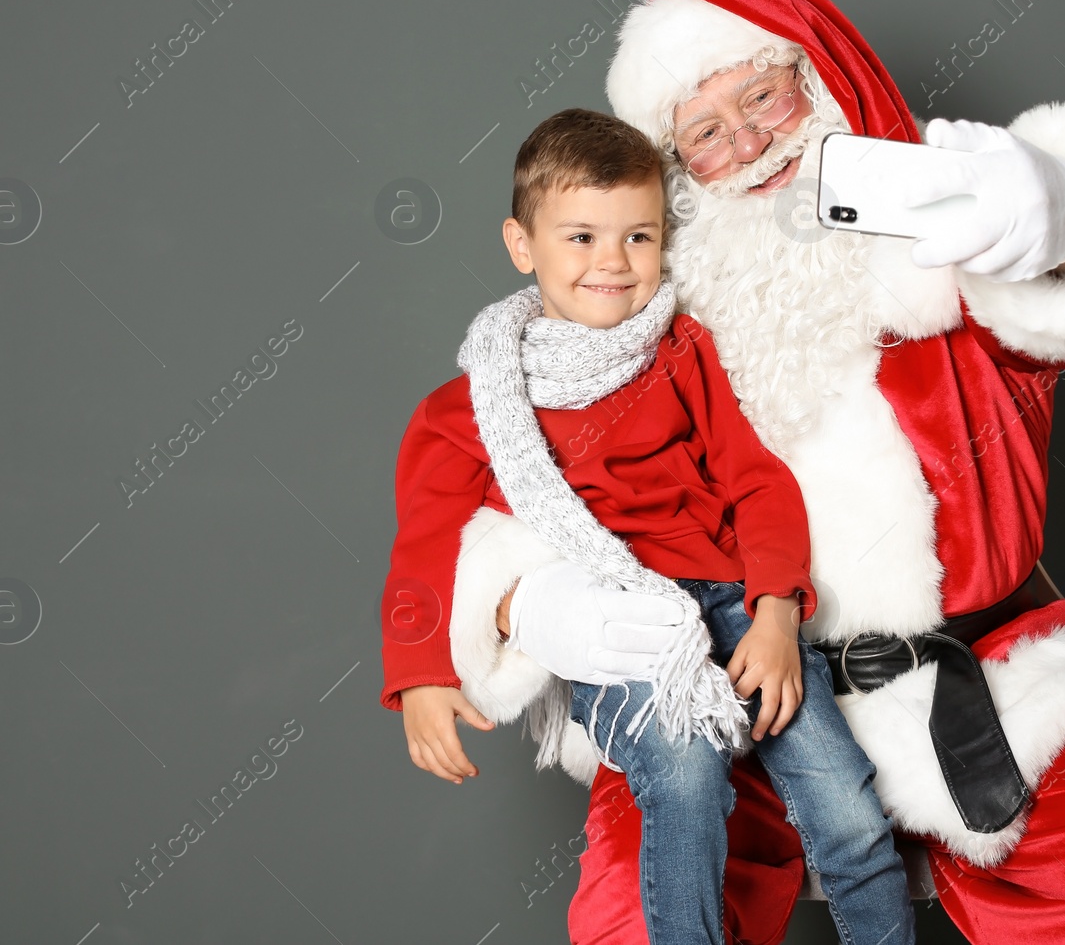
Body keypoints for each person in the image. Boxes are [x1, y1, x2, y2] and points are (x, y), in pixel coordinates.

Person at [432, 0, 1065, 944]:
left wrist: (1055, 210)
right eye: (705, 133)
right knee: (633, 910)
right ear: (679, 174)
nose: (748, 146)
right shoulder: (643, 333)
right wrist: (534, 602)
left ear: (822, 84)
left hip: (985, 681)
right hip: (734, 693)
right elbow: (530, 486)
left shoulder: (946, 259)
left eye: (762, 97)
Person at [379, 107, 917, 945]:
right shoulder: (467, 407)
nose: (613, 263)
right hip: (619, 628)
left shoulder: (678, 350)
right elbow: (424, 551)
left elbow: (757, 483)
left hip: (734, 603)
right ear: (523, 246)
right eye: (582, 237)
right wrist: (419, 676)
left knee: (848, 808)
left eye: (638, 237)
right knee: (685, 778)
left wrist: (776, 612)